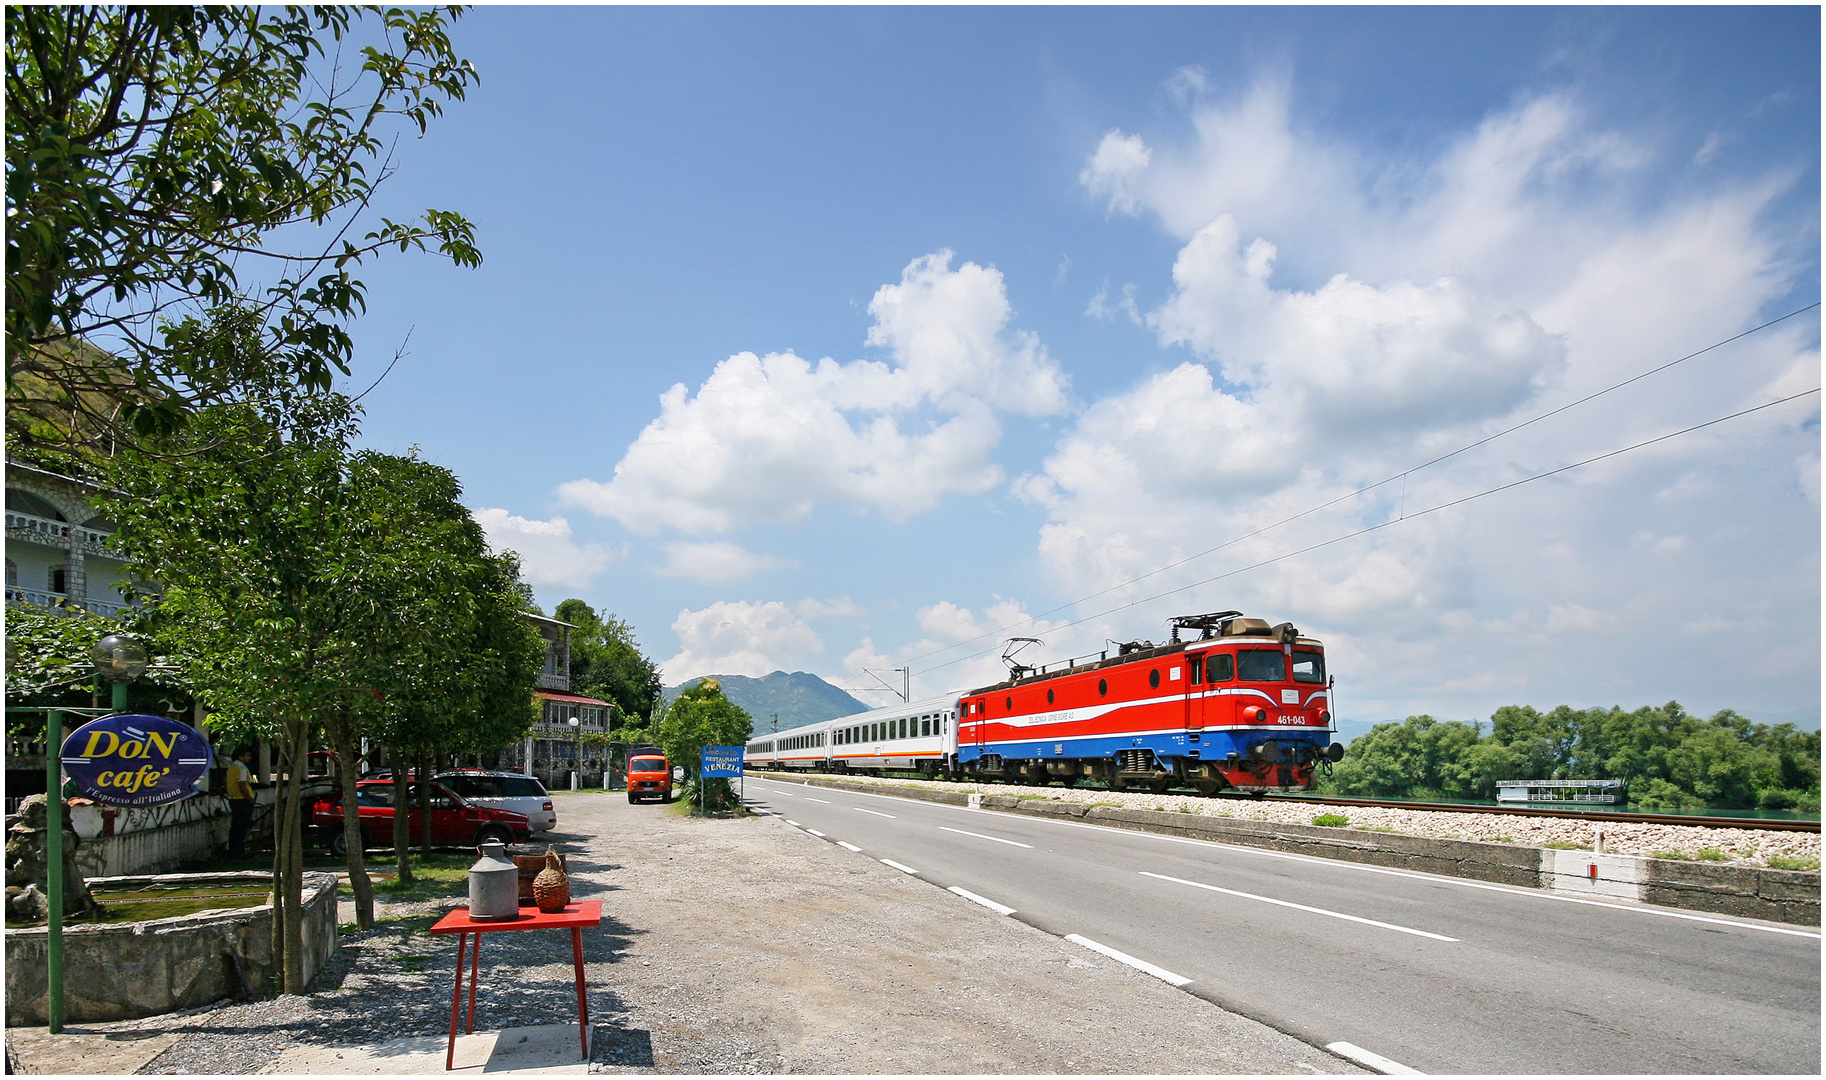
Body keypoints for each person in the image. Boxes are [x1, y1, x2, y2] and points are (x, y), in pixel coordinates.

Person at [226, 745, 255, 859]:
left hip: (234, 799)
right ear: (241, 756)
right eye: (247, 755)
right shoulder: (241, 768)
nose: (249, 758)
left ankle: (234, 850)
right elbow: (242, 785)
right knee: (242, 827)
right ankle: (238, 851)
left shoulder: (232, 767)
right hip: (242, 800)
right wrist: (249, 798)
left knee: (236, 826)